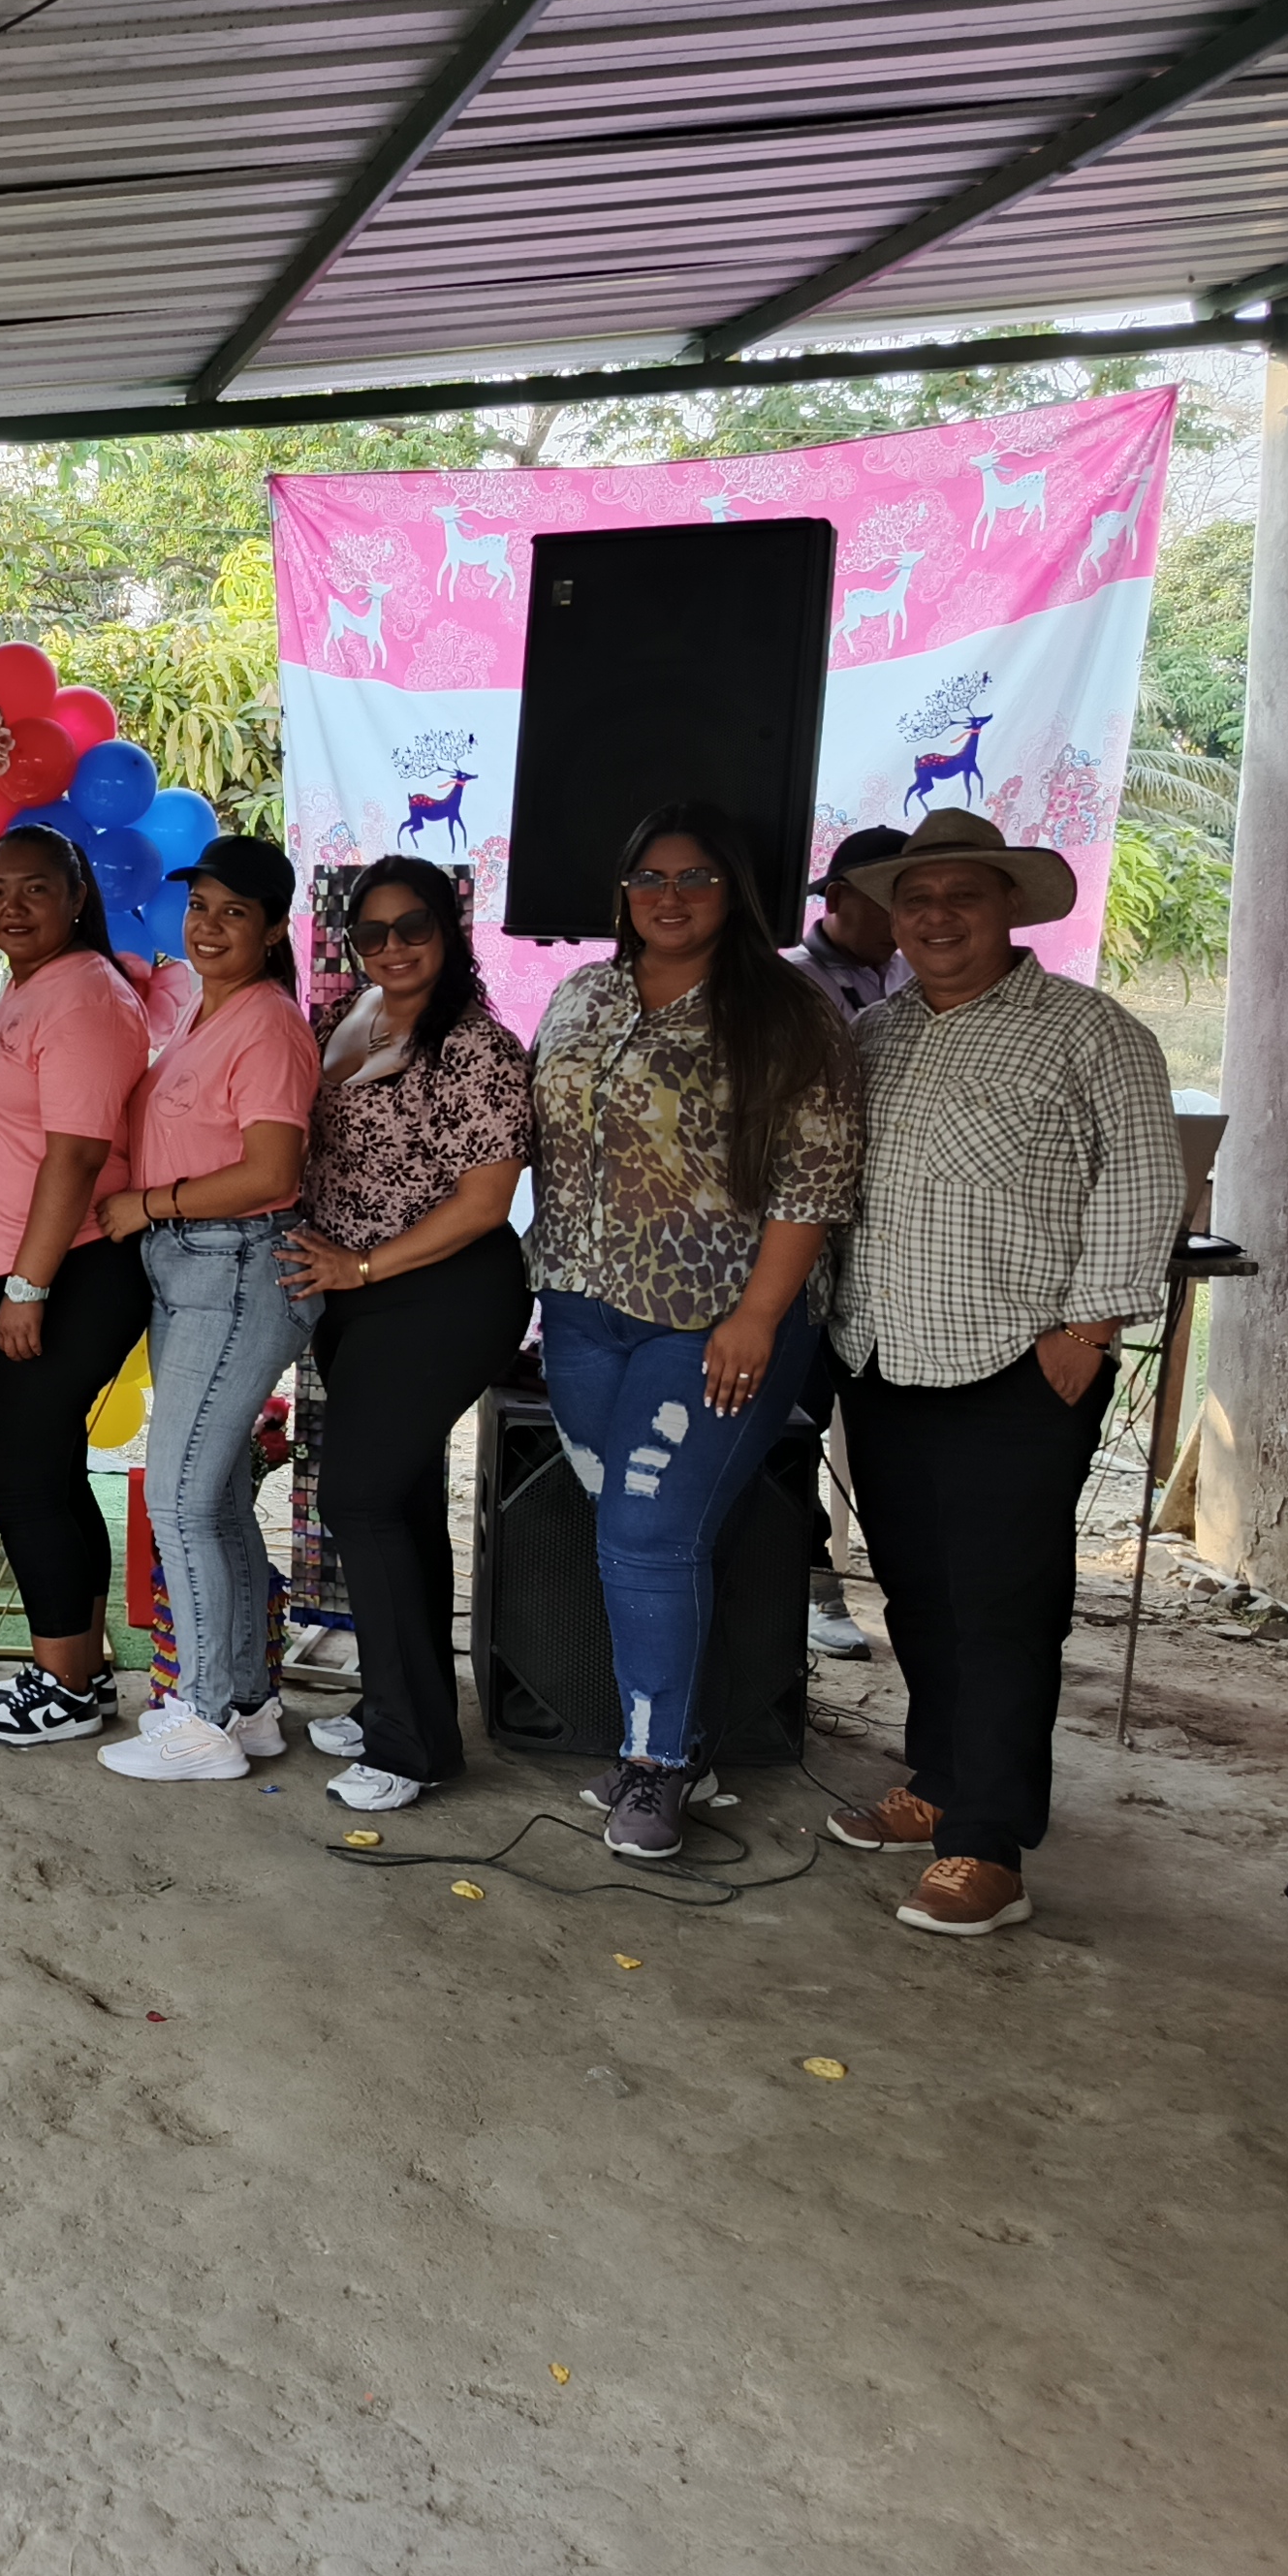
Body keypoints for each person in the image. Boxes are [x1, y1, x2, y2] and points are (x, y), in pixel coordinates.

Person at [820, 812, 1183, 1937]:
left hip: (1017, 1362)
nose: (935, 918)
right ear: (890, 917)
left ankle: (987, 1844)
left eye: (961, 897)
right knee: (918, 1592)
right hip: (883, 1354)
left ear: (1008, 907)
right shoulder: (873, 1034)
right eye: (914, 900)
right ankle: (936, 1782)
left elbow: (1142, 1183)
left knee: (1002, 1606)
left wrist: (1088, 1327)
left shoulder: (1090, 1033)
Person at [526, 801, 861, 1861]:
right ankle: (678, 1739)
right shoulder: (582, 995)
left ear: (735, 892)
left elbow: (815, 1177)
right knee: (633, 1535)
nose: (668, 898)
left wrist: (758, 1316)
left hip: (713, 1318)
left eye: (695, 878)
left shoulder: (788, 1010)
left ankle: (655, 1766)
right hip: (580, 1311)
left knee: (647, 1536)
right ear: (622, 893)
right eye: (649, 878)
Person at [282, 857, 533, 1812]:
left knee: (359, 1498)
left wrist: (361, 1266)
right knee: (401, 1500)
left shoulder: (474, 1046)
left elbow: (484, 1202)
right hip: (358, 1297)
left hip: (442, 1292)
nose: (392, 946)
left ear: (449, 930)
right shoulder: (349, 1018)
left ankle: (411, 1743)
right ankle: (401, 1697)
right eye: (372, 931)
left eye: (413, 926)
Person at [93, 835, 324, 1779]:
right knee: (218, 1496)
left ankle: (199, 1718)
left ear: (272, 930)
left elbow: (271, 1172)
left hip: (232, 1266)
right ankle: (248, 1704)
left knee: (180, 1499)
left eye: (235, 912)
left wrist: (148, 1204)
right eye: (200, 907)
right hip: (195, 1270)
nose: (209, 926)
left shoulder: (268, 1025)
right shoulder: (203, 1008)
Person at [0, 826, 156, 1748]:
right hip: (12, 1269)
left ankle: (63, 1685)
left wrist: (28, 1287)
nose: (12, 906)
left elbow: (75, 1153)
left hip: (64, 1272)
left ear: (77, 898)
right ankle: (84, 1669)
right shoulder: (31, 987)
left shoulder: (85, 996)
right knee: (54, 1471)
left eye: (36, 888)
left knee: (23, 1476)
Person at [785, 823, 909, 1659]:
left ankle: (902, 1589)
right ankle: (808, 1586)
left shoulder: (911, 979)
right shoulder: (791, 986)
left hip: (892, 1249)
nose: (905, 922)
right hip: (805, 1244)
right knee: (794, 1422)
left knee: (886, 1430)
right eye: (891, 901)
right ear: (836, 900)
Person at [787, 825, 911, 1020]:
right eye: (886, 908)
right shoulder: (799, 984)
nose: (900, 927)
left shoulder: (911, 971)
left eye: (912, 909)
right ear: (835, 898)